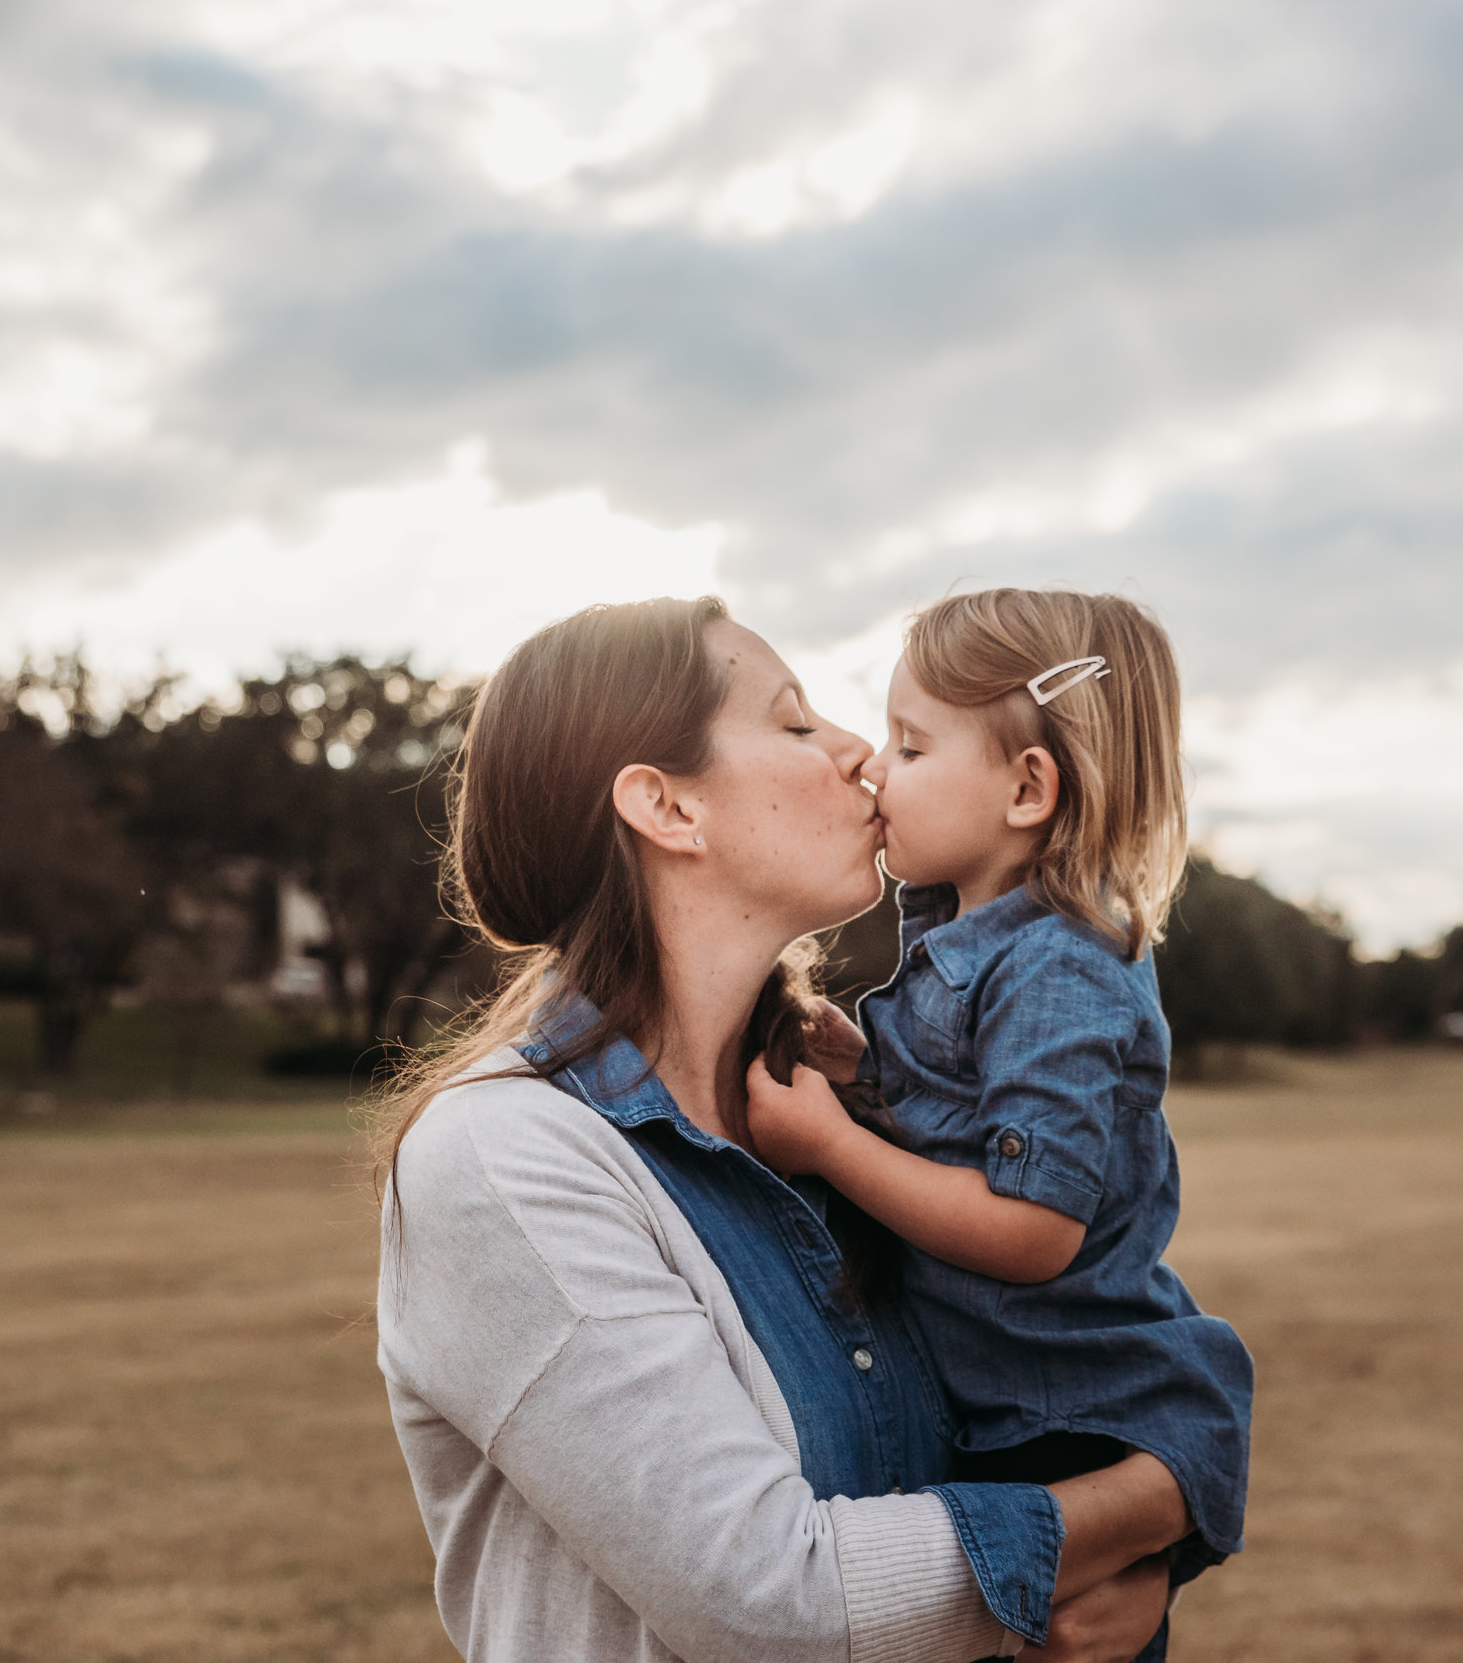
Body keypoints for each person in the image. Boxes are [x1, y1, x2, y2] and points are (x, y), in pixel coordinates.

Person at [373, 595, 1192, 1663]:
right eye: (798, 722)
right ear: (667, 808)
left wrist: (1123, 1576)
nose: (859, 753)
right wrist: (1143, 1505)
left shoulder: (830, 1121)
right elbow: (771, 1598)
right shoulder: (504, 1157)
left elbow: (1030, 1385)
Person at [745, 589, 1254, 1661]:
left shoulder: (1060, 968)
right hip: (1000, 1411)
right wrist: (870, 1070)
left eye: (912, 745)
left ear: (1027, 788)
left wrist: (836, 1144)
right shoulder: (962, 935)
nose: (876, 768)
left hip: (1065, 1422)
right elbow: (970, 1123)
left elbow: (1031, 1230)